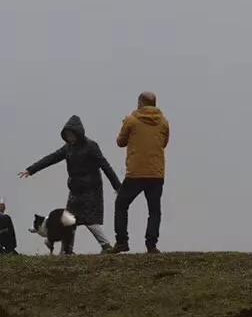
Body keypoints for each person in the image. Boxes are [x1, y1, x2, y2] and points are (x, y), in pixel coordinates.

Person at [20, 115, 121, 254]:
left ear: (78, 133)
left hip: (91, 189)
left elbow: (105, 165)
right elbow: (51, 158)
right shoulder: (68, 148)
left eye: (71, 134)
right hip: (75, 190)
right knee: (68, 221)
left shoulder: (91, 146)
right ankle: (67, 251)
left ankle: (106, 246)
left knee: (90, 221)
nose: (69, 138)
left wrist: (117, 186)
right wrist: (31, 169)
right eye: (67, 135)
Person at [114, 91, 170, 253]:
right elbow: (164, 143)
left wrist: (124, 124)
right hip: (156, 173)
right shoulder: (164, 122)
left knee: (121, 205)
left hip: (135, 173)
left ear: (140, 103)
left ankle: (122, 241)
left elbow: (120, 142)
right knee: (154, 210)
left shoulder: (131, 121)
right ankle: (151, 245)